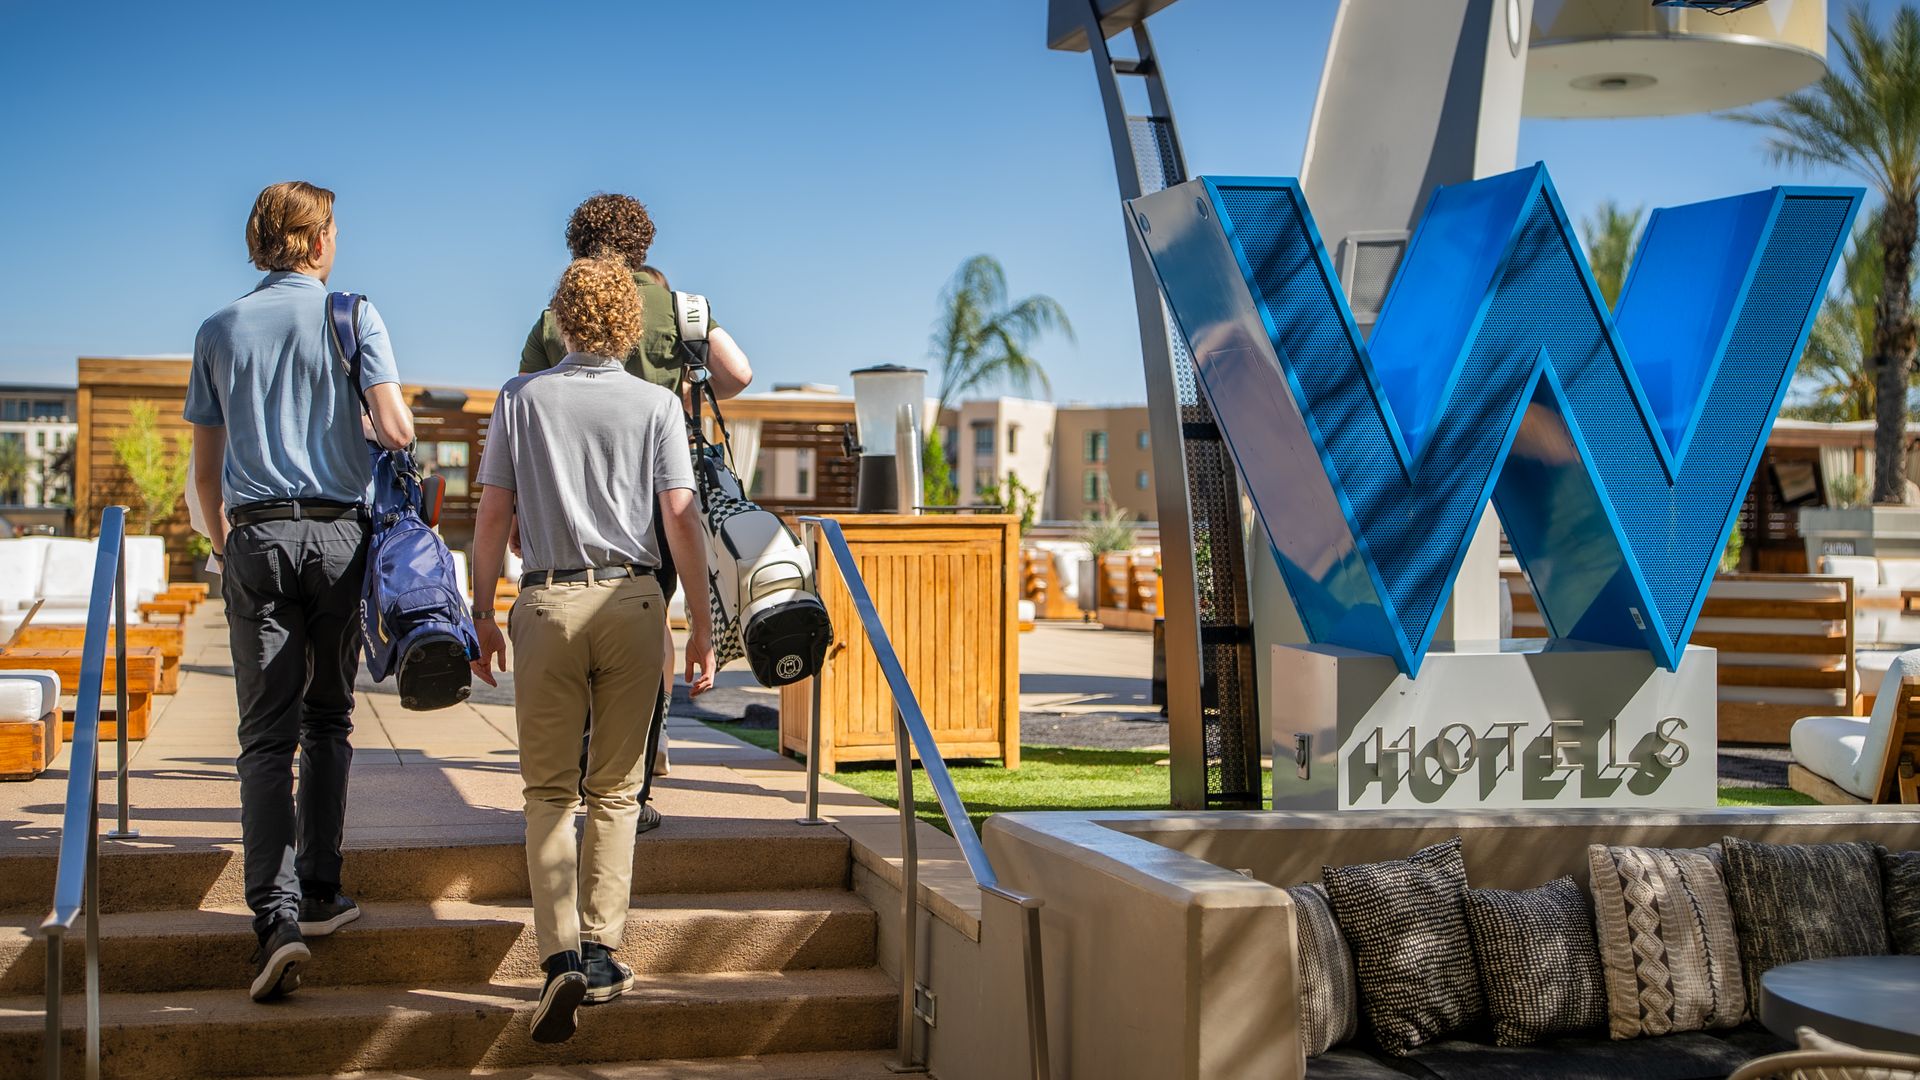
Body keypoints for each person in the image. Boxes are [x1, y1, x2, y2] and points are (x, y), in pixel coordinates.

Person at [472, 255, 716, 1043]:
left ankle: (558, 959)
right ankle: (604, 949)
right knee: (616, 789)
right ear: (627, 324)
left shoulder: (520, 399)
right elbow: (680, 517)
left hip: (546, 599)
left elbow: (491, 516)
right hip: (634, 599)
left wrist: (479, 611)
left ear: (562, 320)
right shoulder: (655, 404)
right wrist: (703, 624)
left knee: (549, 792)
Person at [185, 181, 416, 1002]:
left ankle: (273, 920)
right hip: (339, 536)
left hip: (254, 535)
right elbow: (397, 431)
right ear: (317, 241)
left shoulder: (219, 329)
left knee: (263, 737)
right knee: (328, 718)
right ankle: (320, 891)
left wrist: (227, 548)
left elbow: (204, 476)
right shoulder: (354, 315)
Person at [517, 193, 753, 832]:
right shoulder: (681, 311)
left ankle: (574, 790)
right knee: (646, 636)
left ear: (578, 246)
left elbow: (530, 416)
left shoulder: (552, 319)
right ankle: (633, 789)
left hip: (572, 505)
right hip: (655, 501)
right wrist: (679, 385)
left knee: (572, 640)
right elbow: (739, 374)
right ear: (645, 245)